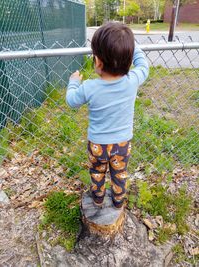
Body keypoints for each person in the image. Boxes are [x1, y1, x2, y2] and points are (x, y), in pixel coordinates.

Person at [66, 22, 149, 209]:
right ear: (128, 59)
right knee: (120, 174)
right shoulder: (132, 81)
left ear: (98, 62)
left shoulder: (89, 87)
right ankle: (118, 201)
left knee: (97, 172)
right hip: (122, 144)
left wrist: (73, 82)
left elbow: (71, 101)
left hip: (97, 145)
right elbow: (144, 65)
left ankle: (97, 198)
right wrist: (132, 46)